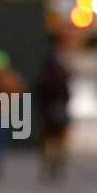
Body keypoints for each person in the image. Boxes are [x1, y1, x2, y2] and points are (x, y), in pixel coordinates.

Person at [35, 47, 70, 181]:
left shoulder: (44, 78)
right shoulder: (62, 77)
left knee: (47, 142)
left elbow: (38, 95)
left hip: (47, 114)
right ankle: (56, 165)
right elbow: (67, 95)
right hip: (60, 113)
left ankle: (48, 164)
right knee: (59, 142)